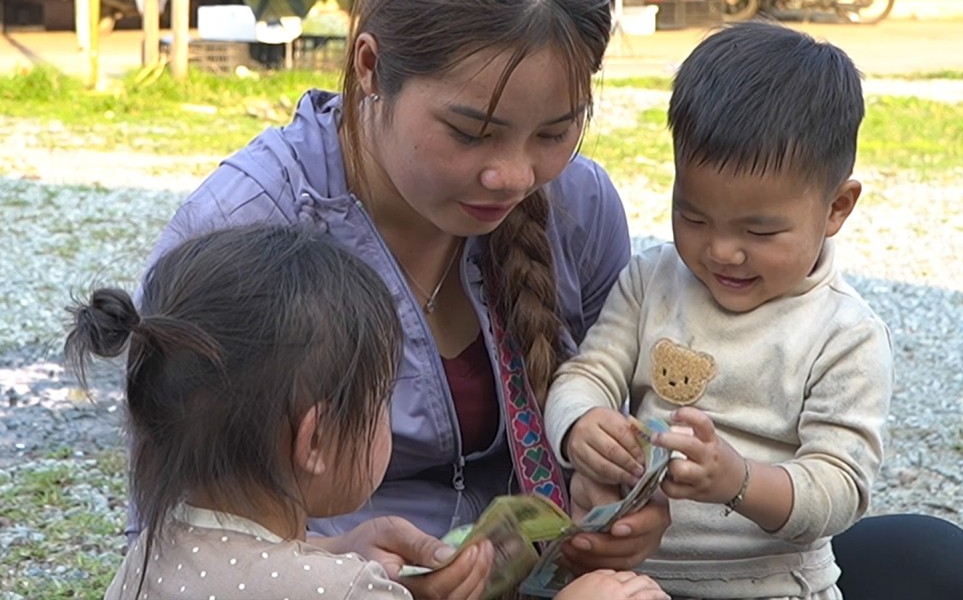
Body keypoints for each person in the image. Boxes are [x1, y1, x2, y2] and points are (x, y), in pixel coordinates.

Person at [135, 0, 669, 598]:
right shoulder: (243, 235)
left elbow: (624, 411)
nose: (514, 174)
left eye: (554, 132)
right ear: (369, 67)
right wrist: (329, 562)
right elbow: (180, 539)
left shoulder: (580, 205)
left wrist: (618, 495)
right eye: (471, 131)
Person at [69, 225, 667, 600]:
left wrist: (338, 549)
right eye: (382, 397)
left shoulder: (154, 549)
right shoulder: (344, 591)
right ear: (316, 438)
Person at [544, 22, 889, 599]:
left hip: (771, 586)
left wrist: (739, 481)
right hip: (632, 578)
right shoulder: (652, 279)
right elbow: (589, 372)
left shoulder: (843, 335)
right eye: (694, 217)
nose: (722, 251)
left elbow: (839, 488)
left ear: (837, 207)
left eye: (760, 230)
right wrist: (580, 423)